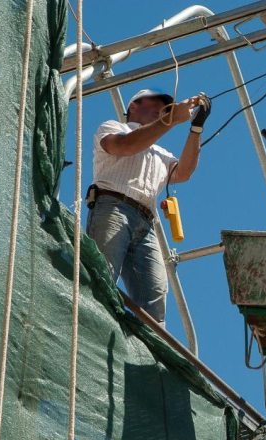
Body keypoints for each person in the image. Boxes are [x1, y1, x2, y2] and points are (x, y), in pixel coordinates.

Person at [85, 89, 211, 324]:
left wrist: (196, 128)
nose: (161, 110)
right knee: (103, 277)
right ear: (133, 106)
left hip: (145, 222)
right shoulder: (113, 127)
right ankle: (93, 329)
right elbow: (125, 146)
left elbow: (183, 172)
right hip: (113, 208)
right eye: (155, 103)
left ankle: (149, 354)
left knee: (155, 298)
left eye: (164, 107)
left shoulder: (160, 152)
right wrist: (171, 119)